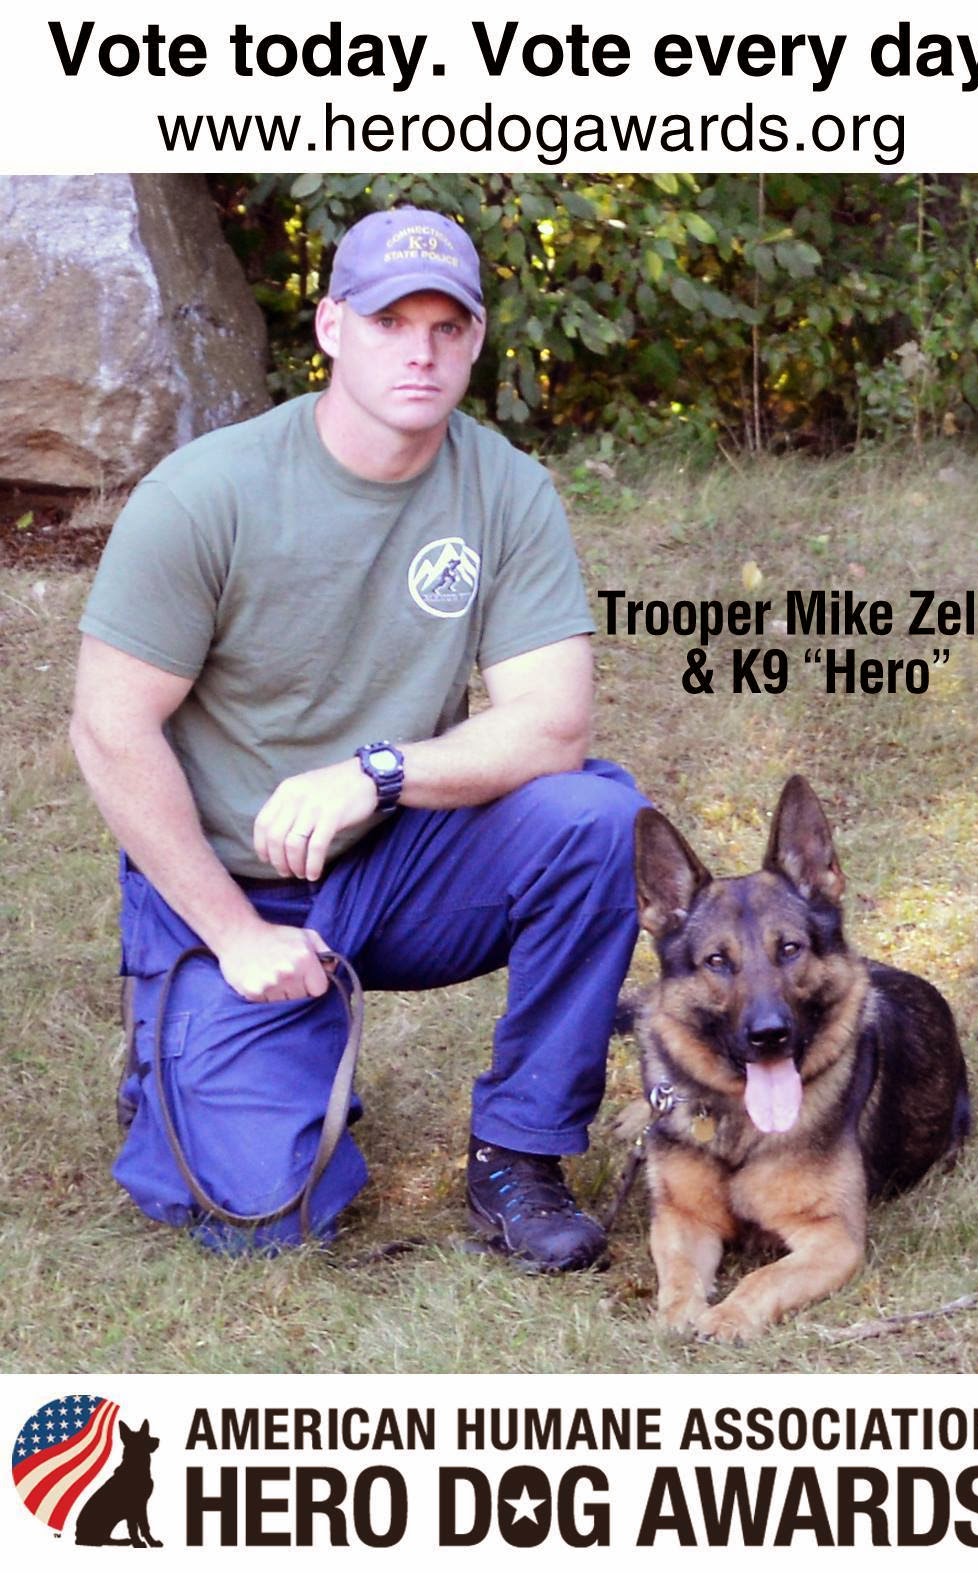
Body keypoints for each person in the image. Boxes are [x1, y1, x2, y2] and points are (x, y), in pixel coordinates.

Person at [70, 205, 647, 1269]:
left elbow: (552, 724)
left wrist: (378, 774)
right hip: (237, 886)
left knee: (598, 821)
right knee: (263, 1216)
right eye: (389, 323)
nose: (419, 352)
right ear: (332, 327)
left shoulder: (504, 489)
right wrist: (234, 934)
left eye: (445, 327)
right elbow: (110, 729)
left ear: (475, 339)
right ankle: (186, 1051)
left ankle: (520, 1153)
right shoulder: (205, 494)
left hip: (400, 858)